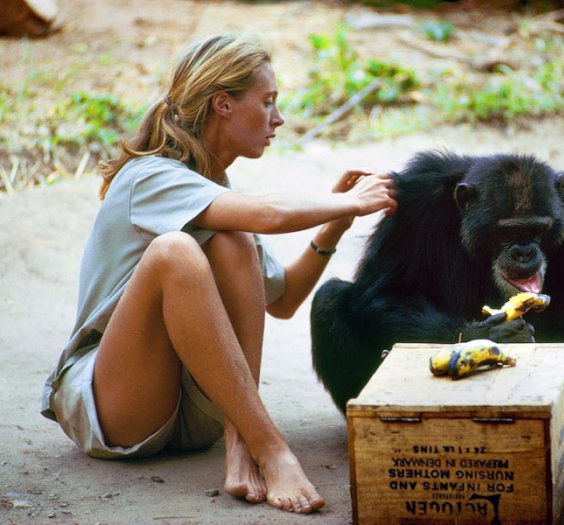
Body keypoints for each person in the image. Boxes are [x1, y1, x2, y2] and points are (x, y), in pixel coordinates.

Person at [40, 32, 397, 514]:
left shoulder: (216, 194)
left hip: (195, 414)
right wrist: (351, 199)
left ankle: (240, 441)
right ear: (222, 104)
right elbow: (268, 214)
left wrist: (336, 223)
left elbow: (285, 298)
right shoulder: (149, 177)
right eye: (268, 102)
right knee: (176, 252)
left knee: (233, 239)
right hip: (119, 408)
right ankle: (269, 446)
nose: (279, 118)